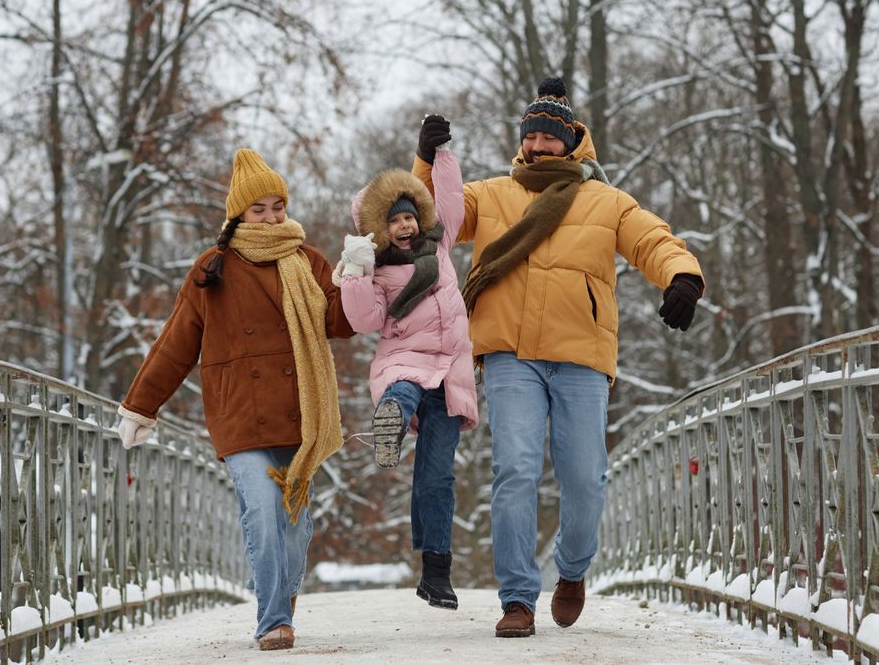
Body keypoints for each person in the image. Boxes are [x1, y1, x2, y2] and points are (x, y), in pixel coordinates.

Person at [413, 78, 706, 638]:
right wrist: (426, 159)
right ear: (521, 142)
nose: (540, 147)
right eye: (532, 137)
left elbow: (652, 239)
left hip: (580, 354)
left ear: (573, 143)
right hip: (510, 355)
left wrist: (683, 276)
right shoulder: (492, 194)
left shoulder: (606, 200)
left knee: (584, 479)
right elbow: (433, 216)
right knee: (515, 470)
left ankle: (571, 571)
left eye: (551, 138)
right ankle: (518, 598)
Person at [114, 149, 354, 651]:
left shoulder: (307, 261)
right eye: (258, 209)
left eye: (277, 206)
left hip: (298, 410)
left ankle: (281, 601)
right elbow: (177, 342)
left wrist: (356, 276)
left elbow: (340, 323)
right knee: (261, 512)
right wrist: (141, 406)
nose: (271, 217)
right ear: (238, 214)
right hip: (239, 412)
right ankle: (272, 620)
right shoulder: (213, 267)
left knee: (293, 523)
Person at [333, 141, 477, 610]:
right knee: (401, 389)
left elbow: (452, 200)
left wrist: (441, 154)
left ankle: (436, 575)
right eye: (393, 220)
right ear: (380, 228)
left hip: (451, 373)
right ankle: (390, 418)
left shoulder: (442, 247)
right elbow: (362, 321)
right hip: (405, 359)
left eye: (409, 216)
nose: (404, 226)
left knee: (437, 478)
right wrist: (355, 271)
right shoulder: (377, 273)